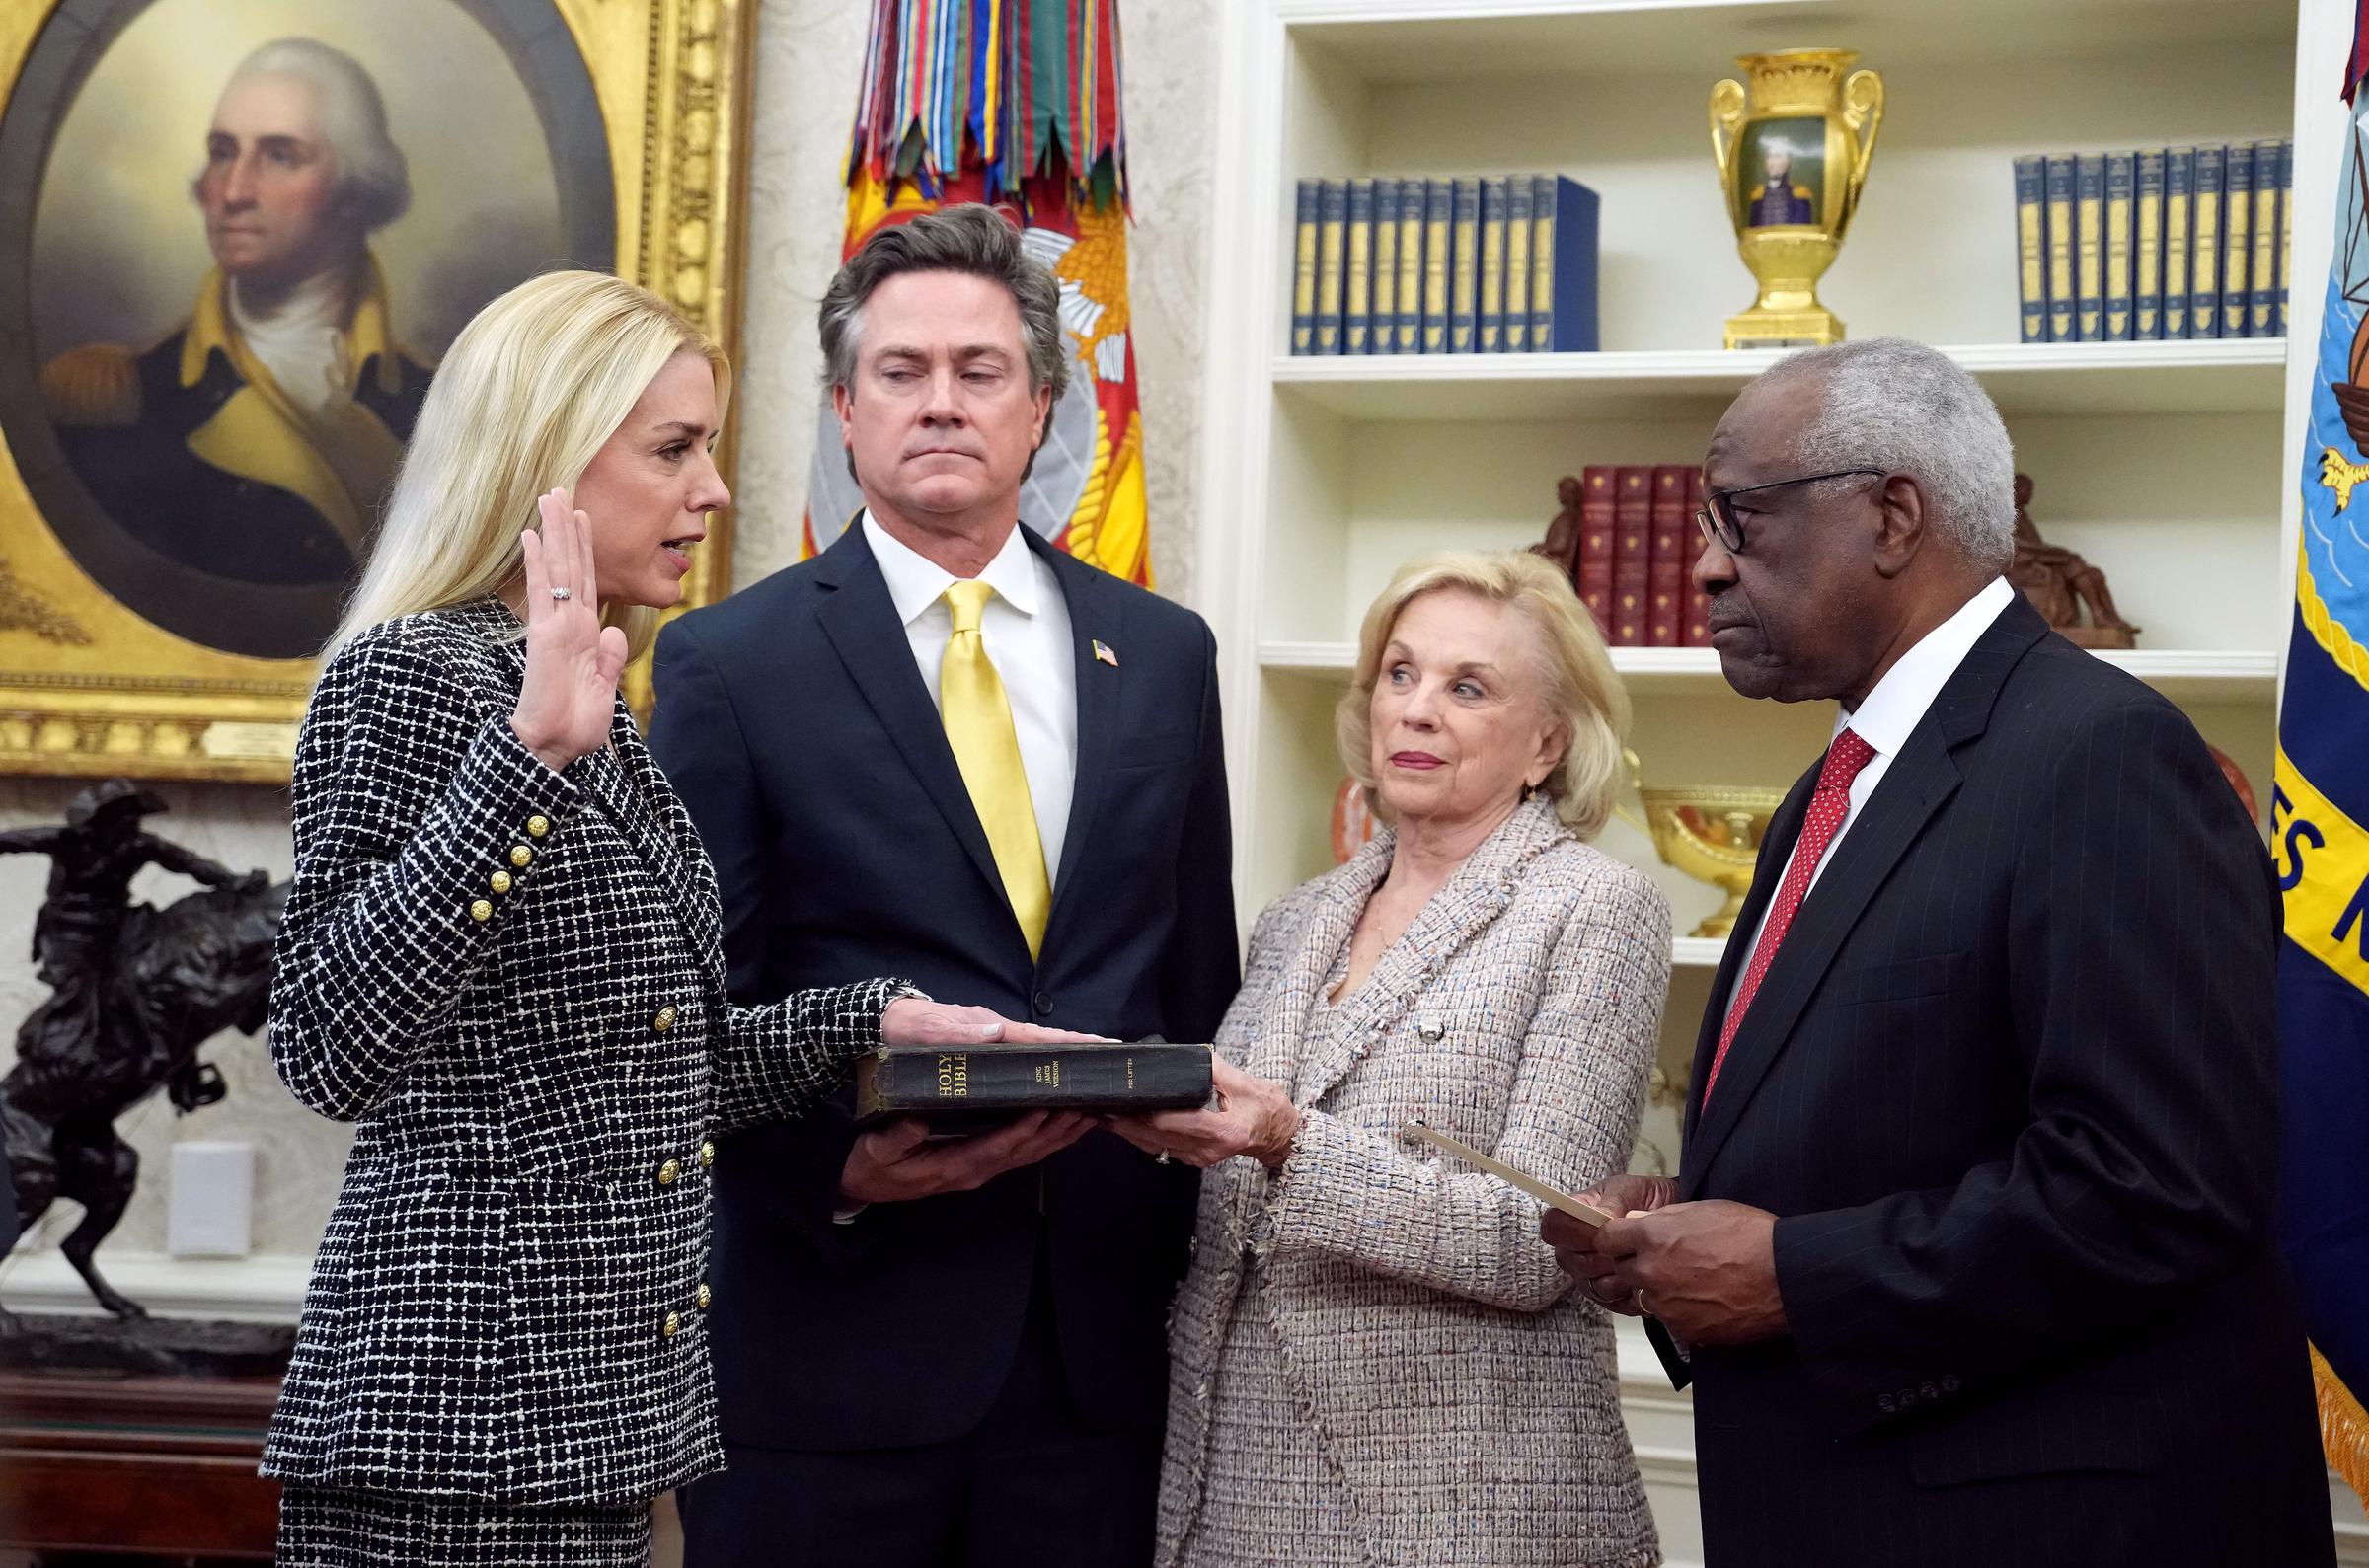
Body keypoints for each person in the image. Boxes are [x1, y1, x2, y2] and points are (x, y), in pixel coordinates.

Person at [260, 269, 1070, 1567]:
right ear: (550, 464)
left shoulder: (605, 700)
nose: (716, 491)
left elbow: (643, 1058)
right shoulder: (412, 672)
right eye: (675, 449)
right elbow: (328, 1046)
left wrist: (871, 1020)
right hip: (452, 1441)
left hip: (600, 1434)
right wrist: (527, 756)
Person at [1549, 337, 2335, 1566]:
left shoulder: (2103, 758)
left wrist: (1792, 1274)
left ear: (1893, 514)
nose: (1702, 567)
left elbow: (2157, 1185)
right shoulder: (1840, 782)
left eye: (1740, 518)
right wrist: (1683, 1226)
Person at [648, 203, 1238, 1568]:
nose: (941, 404)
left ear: (1041, 407)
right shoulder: (729, 665)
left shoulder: (1162, 654)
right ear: (845, 413)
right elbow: (685, 1017)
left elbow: (1194, 973)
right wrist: (839, 1175)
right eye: (901, 373)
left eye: (981, 372)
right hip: (826, 1350)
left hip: (1096, 1357)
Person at [1115, 551, 1668, 1568]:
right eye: (1400, 674)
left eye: (1467, 686)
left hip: (1460, 1507)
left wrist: (1289, 1140)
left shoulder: (1596, 909)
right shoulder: (1295, 919)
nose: (1416, 710)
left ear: (1547, 740)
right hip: (1229, 1488)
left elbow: (1535, 1240)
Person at [41, 37, 432, 602]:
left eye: (279, 155)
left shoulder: (443, 399)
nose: (232, 191)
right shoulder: (111, 399)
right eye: (223, 152)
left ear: (355, 188)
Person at [1746, 145, 1814, 227]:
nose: (1772, 162)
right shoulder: (1758, 195)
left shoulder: (1799, 195)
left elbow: (1802, 230)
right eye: (1769, 157)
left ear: (1787, 161)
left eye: (1777, 157)